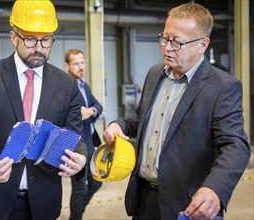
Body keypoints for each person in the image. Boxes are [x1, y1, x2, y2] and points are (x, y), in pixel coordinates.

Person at [103, 2, 251, 220]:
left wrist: (215, 189)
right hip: (144, 201)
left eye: (177, 42)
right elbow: (139, 117)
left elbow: (235, 146)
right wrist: (120, 125)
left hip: (187, 206)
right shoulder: (155, 74)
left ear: (202, 44)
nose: (167, 48)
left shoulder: (222, 87)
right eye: (165, 38)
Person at [0, 1, 87, 219]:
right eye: (30, 39)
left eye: (46, 40)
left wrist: (81, 157)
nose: (38, 48)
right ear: (13, 36)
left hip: (42, 203)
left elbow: (75, 135)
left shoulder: (66, 84)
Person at [64, 48, 103, 220]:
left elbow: (98, 106)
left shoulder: (83, 84)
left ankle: (78, 213)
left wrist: (91, 111)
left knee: (96, 182)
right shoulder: (67, 87)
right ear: (67, 66)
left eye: (82, 62)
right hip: (76, 145)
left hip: (90, 142)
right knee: (79, 189)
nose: (81, 67)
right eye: (76, 63)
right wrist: (88, 113)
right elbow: (75, 116)